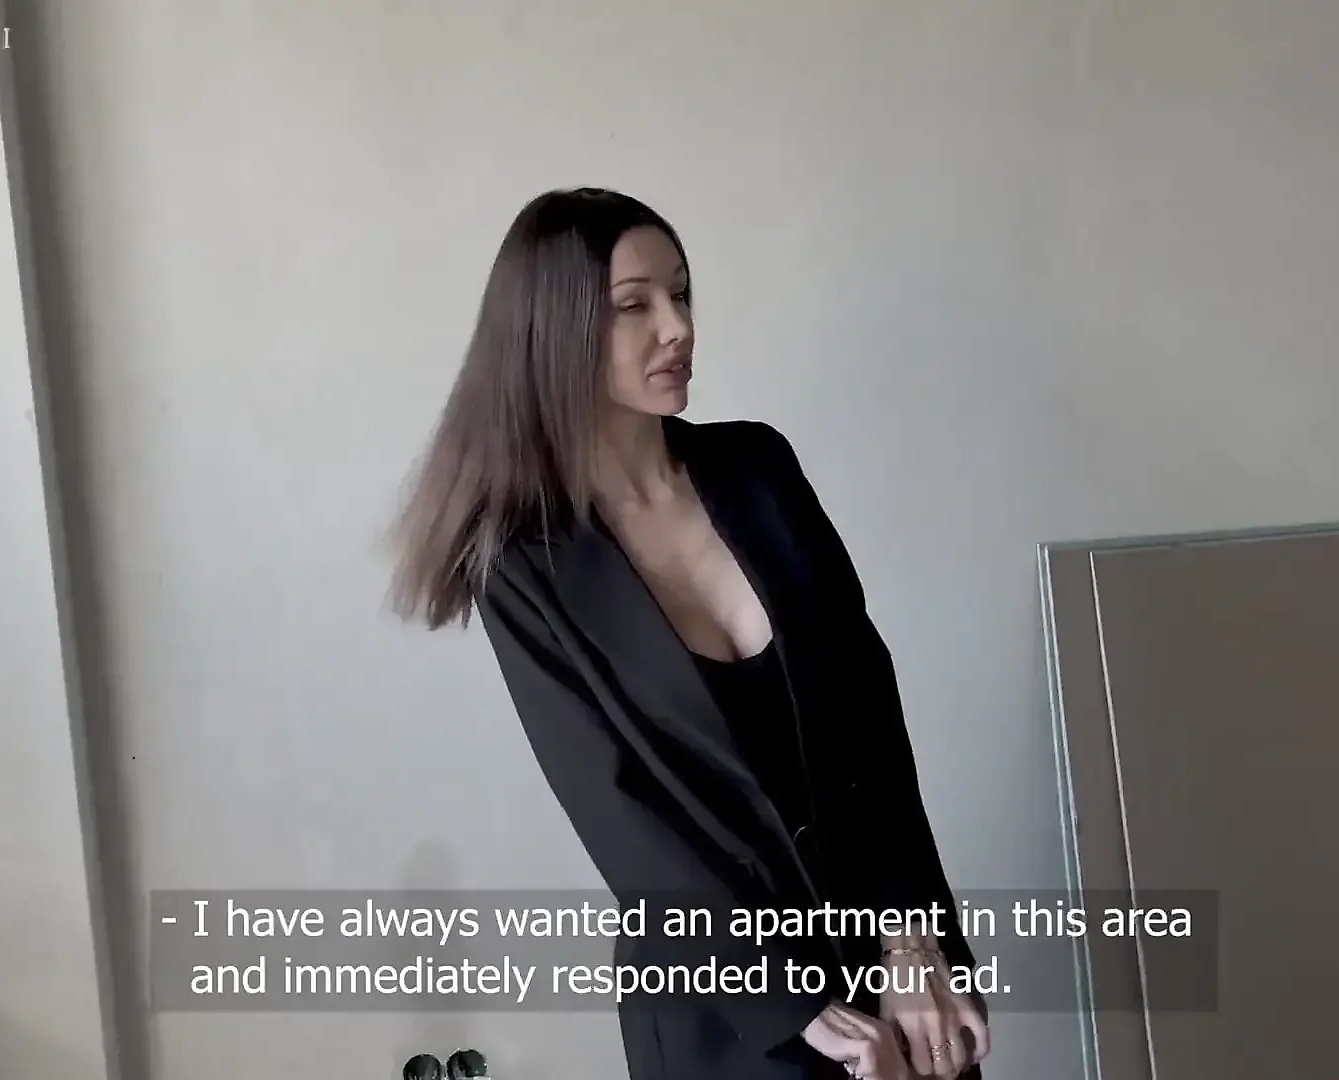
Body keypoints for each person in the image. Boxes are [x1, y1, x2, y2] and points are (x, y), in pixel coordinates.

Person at [388, 187, 990, 1080]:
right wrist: (791, 1006)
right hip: (725, 1008)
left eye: (680, 293)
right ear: (554, 331)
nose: (678, 328)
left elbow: (868, 718)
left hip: (889, 957)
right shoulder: (524, 564)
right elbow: (624, 815)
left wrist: (912, 942)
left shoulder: (757, 467)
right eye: (633, 306)